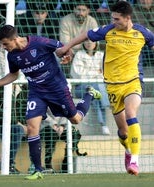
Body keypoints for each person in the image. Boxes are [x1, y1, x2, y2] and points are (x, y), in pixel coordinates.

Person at [0, 25, 102, 180]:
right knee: (32, 127)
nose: (3, 47)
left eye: (5, 44)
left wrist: (68, 55)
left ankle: (90, 94)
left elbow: (64, 48)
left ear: (14, 39)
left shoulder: (39, 42)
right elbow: (14, 75)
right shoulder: (12, 56)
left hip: (57, 88)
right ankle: (38, 169)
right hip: (36, 92)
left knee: (76, 119)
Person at [56, 1, 154, 176]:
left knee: (131, 113)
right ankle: (127, 149)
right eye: (112, 18)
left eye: (116, 19)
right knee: (123, 132)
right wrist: (66, 47)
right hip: (113, 86)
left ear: (127, 18)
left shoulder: (142, 32)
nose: (113, 21)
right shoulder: (108, 31)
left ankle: (135, 160)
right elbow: (86, 35)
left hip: (133, 81)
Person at [70, 39, 111, 135]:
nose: (89, 43)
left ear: (96, 43)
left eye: (91, 41)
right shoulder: (79, 55)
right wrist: (96, 72)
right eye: (86, 41)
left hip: (95, 88)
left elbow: (105, 74)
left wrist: (90, 74)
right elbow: (78, 75)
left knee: (95, 94)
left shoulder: (101, 55)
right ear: (83, 43)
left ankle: (103, 124)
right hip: (81, 87)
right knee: (97, 87)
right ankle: (107, 104)